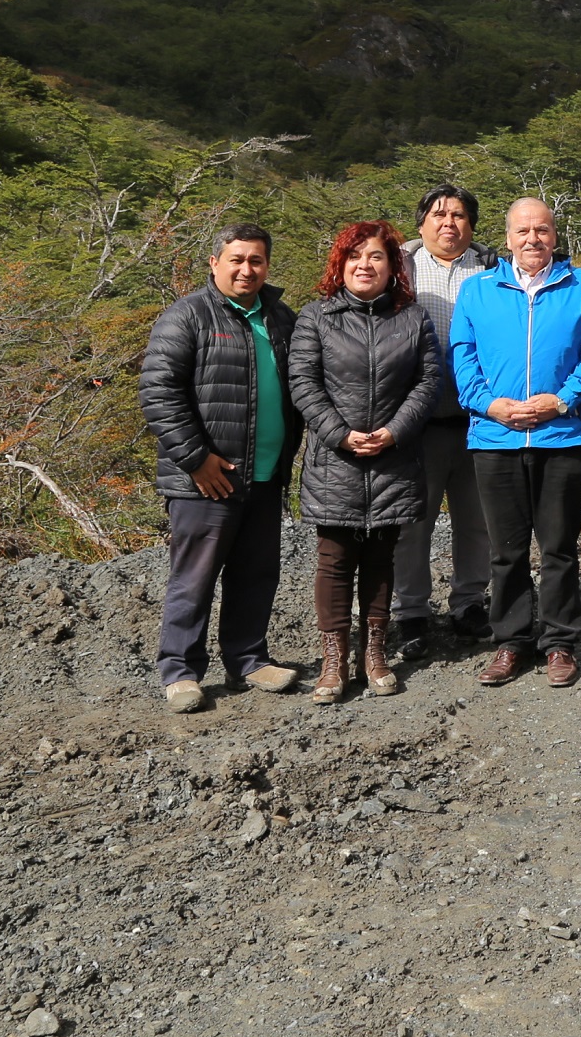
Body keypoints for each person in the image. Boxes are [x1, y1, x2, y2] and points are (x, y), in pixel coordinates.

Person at [450, 198, 581, 689]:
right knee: (505, 550)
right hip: (495, 438)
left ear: (554, 234)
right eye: (522, 231)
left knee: (559, 546)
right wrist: (490, 406)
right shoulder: (477, 290)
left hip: (562, 436)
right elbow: (463, 359)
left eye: (542, 230)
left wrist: (562, 401)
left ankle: (560, 641)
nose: (532, 239)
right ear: (506, 238)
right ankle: (511, 642)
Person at [139, 223, 304, 713]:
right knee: (194, 577)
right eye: (236, 259)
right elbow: (158, 392)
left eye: (255, 260)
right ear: (215, 263)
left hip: (265, 474)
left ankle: (249, 659)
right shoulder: (187, 315)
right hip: (205, 479)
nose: (246, 269)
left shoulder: (281, 318)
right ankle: (180, 671)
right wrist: (195, 459)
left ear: (267, 266)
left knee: (257, 574)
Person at [288, 221, 443, 704]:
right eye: (355, 256)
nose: (365, 265)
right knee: (334, 562)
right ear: (341, 263)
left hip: (394, 458)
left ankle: (374, 654)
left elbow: (428, 381)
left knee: (380, 559)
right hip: (335, 461)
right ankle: (334, 661)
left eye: (376, 256)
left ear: (392, 265)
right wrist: (339, 434)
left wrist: (395, 431)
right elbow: (303, 384)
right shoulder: (317, 317)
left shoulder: (412, 317)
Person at [393, 184, 498, 655]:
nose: (448, 223)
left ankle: (469, 603)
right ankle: (411, 612)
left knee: (477, 521)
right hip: (417, 420)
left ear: (471, 226)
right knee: (414, 521)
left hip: (481, 418)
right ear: (421, 223)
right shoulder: (399, 268)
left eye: (458, 215)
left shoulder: (493, 267)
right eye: (438, 214)